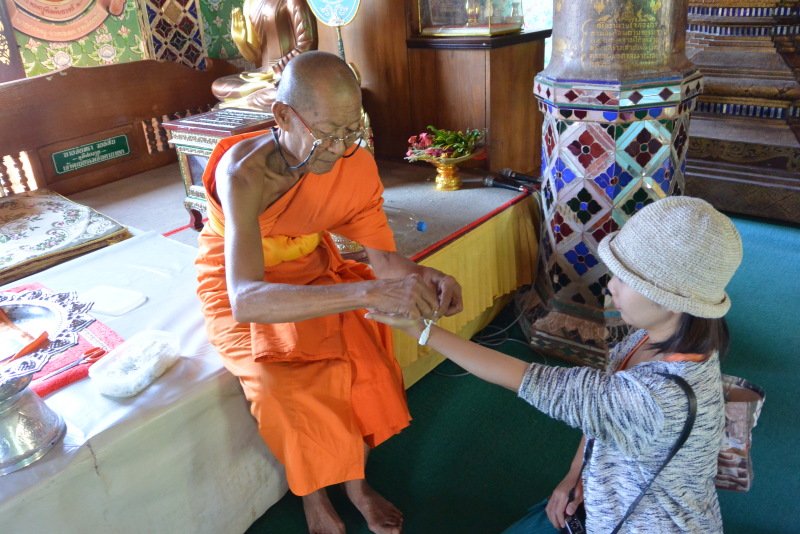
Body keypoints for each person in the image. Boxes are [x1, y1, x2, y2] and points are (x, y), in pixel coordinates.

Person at [195, 50, 463, 534]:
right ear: (281, 116)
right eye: (326, 134)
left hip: (313, 268)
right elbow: (246, 298)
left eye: (351, 132)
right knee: (282, 388)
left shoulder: (353, 166)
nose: (339, 149)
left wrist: (427, 275)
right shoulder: (244, 172)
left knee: (364, 360)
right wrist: (365, 296)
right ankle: (314, 499)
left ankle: (356, 487)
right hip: (240, 279)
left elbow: (382, 262)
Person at [368, 196, 743, 533]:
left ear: (673, 299)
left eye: (626, 279)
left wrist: (421, 330)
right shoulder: (657, 335)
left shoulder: (654, 402)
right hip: (604, 496)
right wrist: (574, 475)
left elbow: (527, 377)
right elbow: (597, 412)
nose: (610, 286)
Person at [211, 0, 317, 109]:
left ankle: (239, 103)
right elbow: (254, 56)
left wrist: (277, 69)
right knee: (218, 86)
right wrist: (241, 42)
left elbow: (308, 43)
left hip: (288, 72)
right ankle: (254, 97)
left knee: (283, 92)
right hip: (263, 75)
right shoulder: (250, 3)